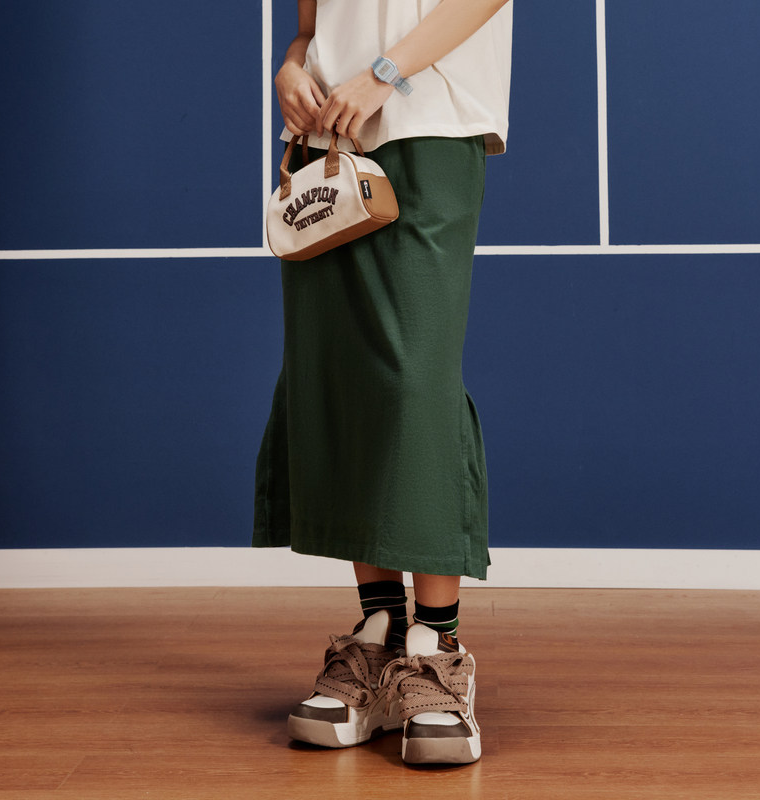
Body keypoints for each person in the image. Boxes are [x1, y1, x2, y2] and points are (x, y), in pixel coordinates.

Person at [254, 0, 513, 766]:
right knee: (342, 381)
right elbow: (311, 26)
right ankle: (378, 635)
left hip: (429, 120)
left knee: (412, 383)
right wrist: (291, 67)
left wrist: (384, 73)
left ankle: (438, 650)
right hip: (324, 138)